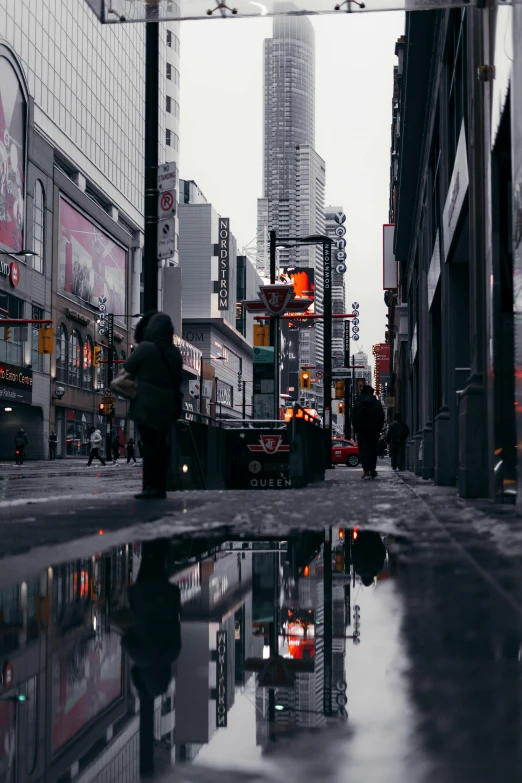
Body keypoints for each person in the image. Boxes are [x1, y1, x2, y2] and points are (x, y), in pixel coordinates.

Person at [124, 312, 183, 500]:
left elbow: (129, 367)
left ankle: (150, 487)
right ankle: (160, 487)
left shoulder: (146, 348)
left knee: (149, 446)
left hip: (147, 403)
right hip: (168, 404)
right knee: (162, 445)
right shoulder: (174, 353)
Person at [352, 385, 385, 480]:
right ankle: (372, 470)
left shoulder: (358, 402)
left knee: (363, 450)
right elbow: (381, 416)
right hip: (373, 430)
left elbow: (353, 417)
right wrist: (378, 429)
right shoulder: (376, 403)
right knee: (372, 450)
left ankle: (366, 471)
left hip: (361, 430)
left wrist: (356, 428)